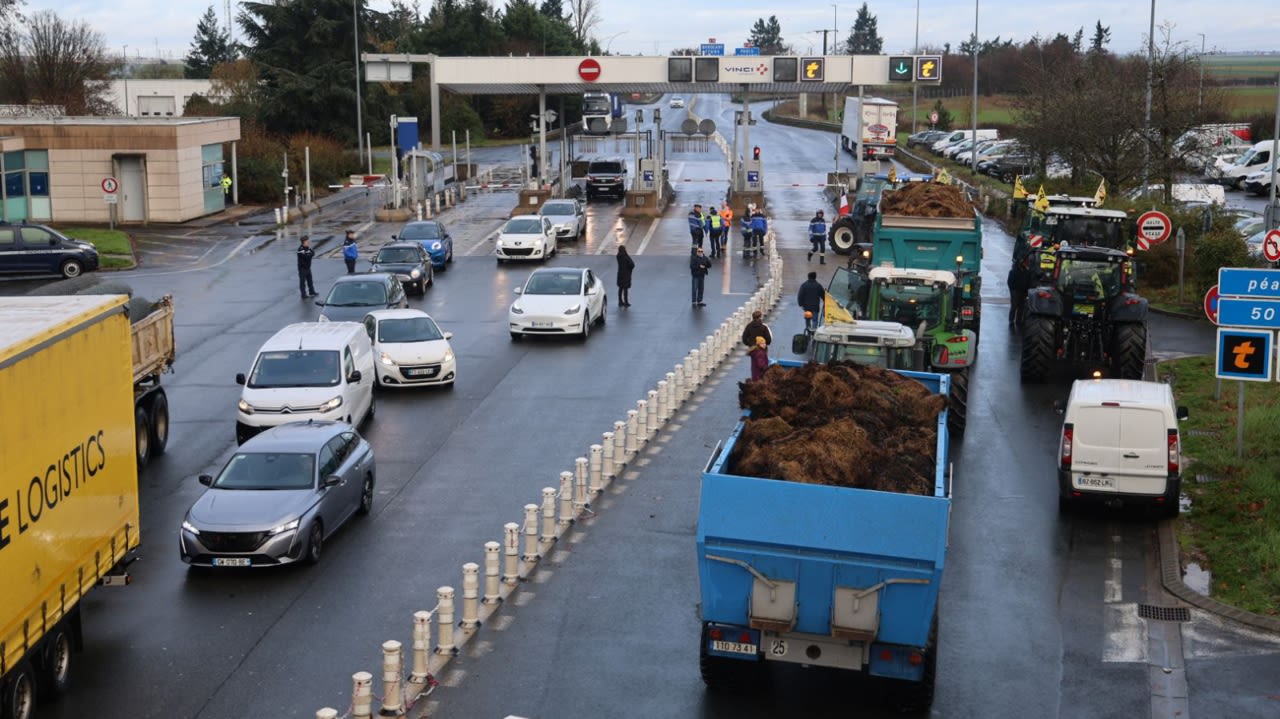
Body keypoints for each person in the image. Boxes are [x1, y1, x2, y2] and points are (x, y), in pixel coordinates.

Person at [1006, 256, 1035, 327]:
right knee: (1014, 306)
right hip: (1015, 291)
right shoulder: (1013, 271)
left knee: (1021, 306)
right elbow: (1010, 282)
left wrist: (1028, 290)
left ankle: (1019, 320)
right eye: (1024, 262)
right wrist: (1013, 290)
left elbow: (1029, 281)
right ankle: (1011, 320)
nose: (1026, 264)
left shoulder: (1027, 272)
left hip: (1023, 291)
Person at [616, 241, 635, 307]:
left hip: (620, 274)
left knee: (620, 288)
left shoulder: (618, 257)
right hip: (626, 274)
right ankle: (626, 302)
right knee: (625, 289)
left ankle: (620, 301)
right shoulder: (626, 257)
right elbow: (632, 264)